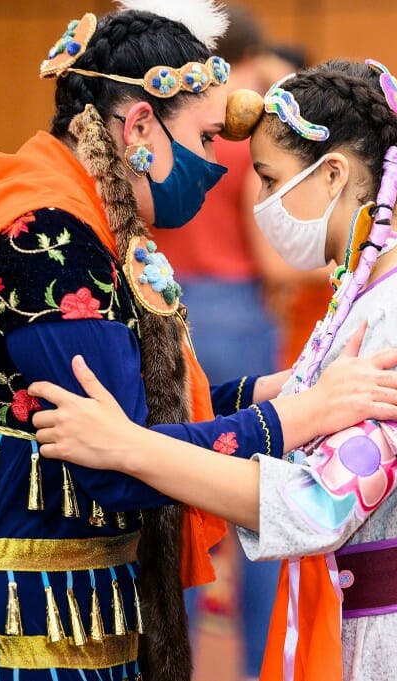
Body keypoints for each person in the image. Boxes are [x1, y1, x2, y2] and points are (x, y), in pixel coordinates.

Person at [0, 5, 397, 680]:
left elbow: (135, 414)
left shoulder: (78, 220)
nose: (214, 164)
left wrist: (273, 390)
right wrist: (297, 417)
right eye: (206, 139)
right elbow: (119, 465)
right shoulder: (50, 245)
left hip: (46, 613)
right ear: (140, 125)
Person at [28, 58, 397, 681]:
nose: (259, 201)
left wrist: (128, 448)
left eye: (267, 177)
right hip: (375, 626)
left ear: (333, 173)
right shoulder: (376, 286)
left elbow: (319, 506)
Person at [148, 5, 281, 678]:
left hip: (164, 308)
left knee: (175, 498)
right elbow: (273, 259)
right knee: (257, 509)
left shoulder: (169, 129)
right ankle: (262, 667)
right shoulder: (242, 139)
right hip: (235, 316)